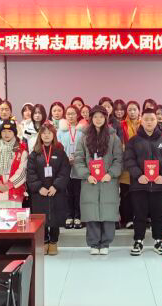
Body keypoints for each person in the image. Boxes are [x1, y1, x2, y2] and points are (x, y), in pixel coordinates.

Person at [124, 108, 162, 255]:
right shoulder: (134, 141)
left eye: (152, 119)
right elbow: (129, 160)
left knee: (158, 215)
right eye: (146, 119)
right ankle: (138, 241)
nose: (149, 122)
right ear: (141, 121)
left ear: (156, 121)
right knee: (139, 214)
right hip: (139, 185)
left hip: (159, 186)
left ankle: (158, 240)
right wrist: (138, 175)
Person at [73, 106, 123, 255]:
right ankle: (94, 244)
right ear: (91, 119)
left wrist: (111, 174)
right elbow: (78, 159)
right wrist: (87, 175)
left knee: (108, 212)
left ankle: (106, 243)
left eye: (101, 117)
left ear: (106, 118)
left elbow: (119, 159)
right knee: (92, 211)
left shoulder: (113, 137)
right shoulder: (84, 137)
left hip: (108, 181)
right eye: (95, 117)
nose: (98, 119)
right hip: (90, 180)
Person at [27, 122, 70, 256]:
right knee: (41, 218)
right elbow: (31, 172)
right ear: (40, 135)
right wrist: (39, 187)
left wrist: (56, 186)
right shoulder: (34, 154)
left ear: (53, 135)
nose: (46, 135)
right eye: (44, 133)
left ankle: (53, 242)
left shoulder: (60, 152)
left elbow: (64, 171)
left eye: (49, 133)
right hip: (40, 192)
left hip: (56, 191)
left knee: (56, 217)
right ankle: (44, 241)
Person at [0, 120, 29, 212]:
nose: (6, 134)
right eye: (3, 131)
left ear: (14, 133)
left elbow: (23, 170)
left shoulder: (21, 148)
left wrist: (10, 184)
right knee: (0, 215)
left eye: (9, 131)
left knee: (15, 215)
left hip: (14, 189)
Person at [57, 105, 84, 229]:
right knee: (67, 193)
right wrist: (66, 160)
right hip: (65, 165)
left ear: (77, 115)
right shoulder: (61, 131)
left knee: (78, 193)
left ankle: (78, 216)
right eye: (68, 114)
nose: (71, 116)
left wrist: (76, 159)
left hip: (79, 166)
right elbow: (58, 148)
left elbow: (85, 149)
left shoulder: (82, 131)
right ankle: (68, 216)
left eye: (73, 113)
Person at [119, 100, 141, 230]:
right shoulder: (121, 125)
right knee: (126, 193)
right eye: (130, 110)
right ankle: (127, 219)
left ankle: (138, 218)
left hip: (140, 163)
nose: (132, 112)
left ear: (139, 111)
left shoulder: (143, 124)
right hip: (126, 163)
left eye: (134, 109)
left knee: (138, 194)